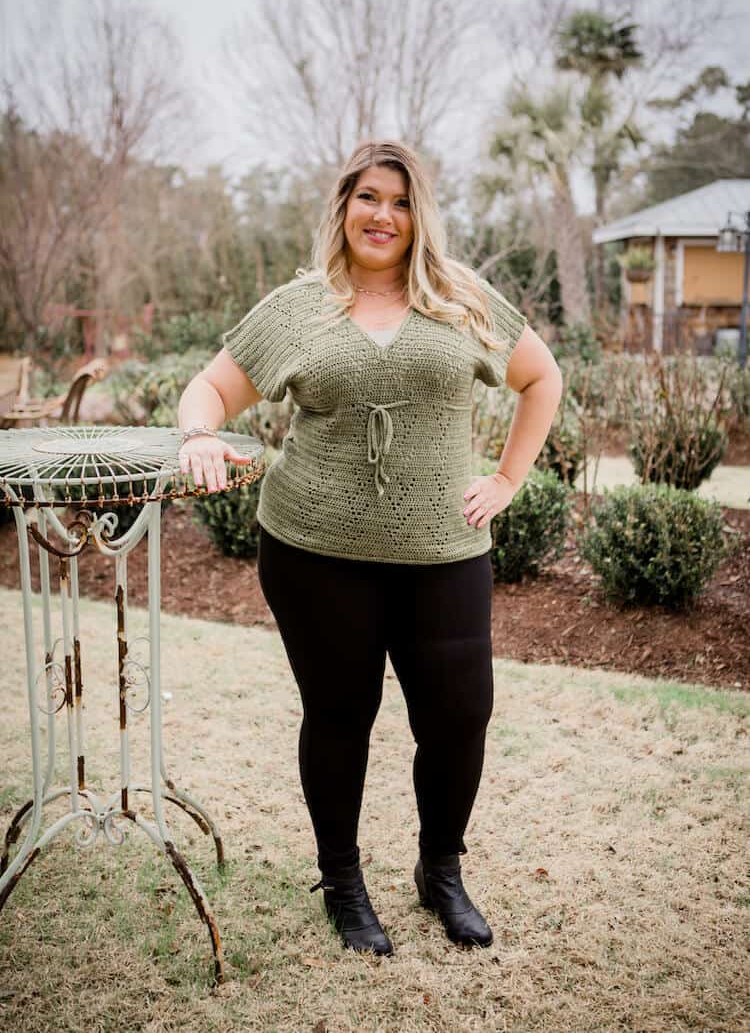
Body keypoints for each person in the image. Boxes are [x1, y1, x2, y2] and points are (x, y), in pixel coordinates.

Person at [177, 140, 562, 957]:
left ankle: (441, 871)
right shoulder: (298, 308)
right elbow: (209, 386)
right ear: (343, 207)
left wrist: (505, 479)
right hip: (315, 550)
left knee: (460, 717)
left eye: (401, 200)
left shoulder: (461, 298)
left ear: (419, 214)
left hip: (444, 550)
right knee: (341, 715)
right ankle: (344, 882)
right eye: (368, 198)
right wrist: (199, 435)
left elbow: (542, 378)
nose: (383, 215)